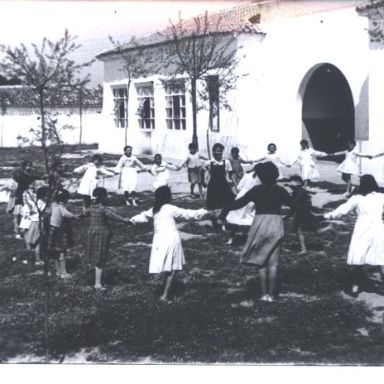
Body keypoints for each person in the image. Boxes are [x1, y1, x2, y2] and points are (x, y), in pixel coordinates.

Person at [222, 162, 303, 303]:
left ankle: (263, 294)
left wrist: (224, 210)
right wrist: (288, 216)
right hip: (276, 224)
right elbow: (295, 207)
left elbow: (239, 203)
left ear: (260, 176)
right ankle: (271, 295)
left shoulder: (256, 190)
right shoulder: (280, 190)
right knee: (273, 264)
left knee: (261, 262)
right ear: (275, 175)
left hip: (259, 224)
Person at [129, 186, 209, 303]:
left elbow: (143, 216)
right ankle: (165, 296)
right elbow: (188, 214)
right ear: (168, 197)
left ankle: (165, 292)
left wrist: (131, 220)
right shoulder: (170, 208)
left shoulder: (155, 208)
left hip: (159, 240)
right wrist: (205, 211)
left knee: (168, 267)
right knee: (172, 268)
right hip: (171, 239)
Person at [323, 174, 384, 297]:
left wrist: (326, 216)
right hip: (378, 228)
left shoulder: (357, 198)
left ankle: (356, 285)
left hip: (362, 229)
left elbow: (342, 209)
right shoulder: (382, 197)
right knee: (381, 257)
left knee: (358, 256)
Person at [85, 187, 130, 290]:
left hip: (92, 233)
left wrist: (75, 216)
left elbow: (84, 214)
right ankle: (97, 284)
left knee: (97, 257)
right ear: (103, 197)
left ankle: (96, 280)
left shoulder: (92, 207)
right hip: (101, 235)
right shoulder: (103, 209)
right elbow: (114, 217)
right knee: (100, 258)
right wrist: (125, 220)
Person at [285, 175, 334, 255]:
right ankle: (304, 249)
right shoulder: (297, 191)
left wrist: (288, 215)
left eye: (291, 183)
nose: (290, 185)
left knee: (304, 231)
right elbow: (294, 205)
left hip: (304, 215)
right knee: (305, 231)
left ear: (297, 183)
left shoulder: (300, 191)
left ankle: (329, 228)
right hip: (302, 214)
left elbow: (294, 204)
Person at [225, 165, 261, 245]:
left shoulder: (247, 175)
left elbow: (239, 187)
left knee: (235, 217)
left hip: (242, 196)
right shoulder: (260, 177)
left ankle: (231, 238)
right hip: (253, 198)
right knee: (250, 218)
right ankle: (248, 237)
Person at [47, 189, 78, 278]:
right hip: (60, 230)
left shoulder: (53, 205)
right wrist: (74, 216)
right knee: (62, 252)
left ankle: (58, 271)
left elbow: (48, 212)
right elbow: (65, 214)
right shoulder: (61, 207)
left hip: (52, 229)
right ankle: (64, 272)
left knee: (55, 251)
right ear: (65, 199)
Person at [204, 143, 236, 228]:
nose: (219, 153)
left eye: (221, 151)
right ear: (213, 152)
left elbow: (231, 174)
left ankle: (223, 223)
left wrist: (235, 185)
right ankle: (215, 224)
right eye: (217, 151)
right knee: (213, 204)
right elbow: (201, 170)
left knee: (226, 204)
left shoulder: (226, 162)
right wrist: (204, 182)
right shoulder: (209, 162)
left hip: (223, 185)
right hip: (213, 186)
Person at [23, 186, 49, 266]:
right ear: (44, 195)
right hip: (38, 223)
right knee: (38, 242)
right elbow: (46, 213)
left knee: (31, 241)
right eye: (47, 194)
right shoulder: (42, 203)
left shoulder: (35, 202)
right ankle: (37, 260)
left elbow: (29, 212)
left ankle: (28, 258)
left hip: (31, 223)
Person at [11, 160, 35, 239]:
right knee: (18, 215)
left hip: (26, 196)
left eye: (31, 166)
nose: (30, 168)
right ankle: (17, 232)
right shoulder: (21, 175)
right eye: (29, 166)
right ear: (24, 166)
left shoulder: (27, 175)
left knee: (25, 214)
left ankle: (23, 231)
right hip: (20, 196)